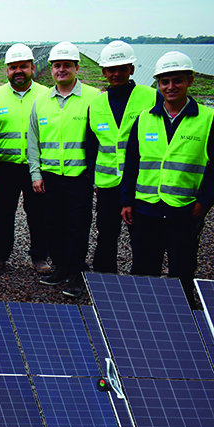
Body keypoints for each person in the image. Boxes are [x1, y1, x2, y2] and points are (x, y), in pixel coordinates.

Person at [121, 51, 214, 306]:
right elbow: (132, 163)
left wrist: (204, 201)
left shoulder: (207, 119)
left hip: (183, 209)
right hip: (146, 207)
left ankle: (182, 313)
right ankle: (143, 310)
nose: (170, 87)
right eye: (164, 82)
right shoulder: (145, 119)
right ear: (157, 84)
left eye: (177, 80)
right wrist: (126, 200)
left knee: (182, 266)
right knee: (143, 265)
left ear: (190, 80)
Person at [28, 41, 98, 298]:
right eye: (57, 65)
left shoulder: (93, 98)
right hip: (50, 177)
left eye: (67, 65)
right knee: (54, 224)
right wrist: (36, 173)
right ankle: (59, 267)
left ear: (77, 68)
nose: (61, 70)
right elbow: (33, 141)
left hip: (79, 176)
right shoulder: (41, 100)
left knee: (78, 226)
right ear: (51, 68)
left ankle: (77, 273)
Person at [86, 40, 156, 274]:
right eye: (111, 69)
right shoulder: (96, 103)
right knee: (106, 234)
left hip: (141, 182)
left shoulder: (151, 97)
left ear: (132, 69)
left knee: (142, 237)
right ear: (104, 72)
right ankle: (105, 281)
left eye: (122, 68)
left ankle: (142, 282)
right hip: (108, 184)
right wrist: (94, 180)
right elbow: (93, 145)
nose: (116, 73)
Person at [0, 43, 50, 274]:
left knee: (38, 214)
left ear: (33, 67)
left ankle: (40, 257)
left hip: (36, 167)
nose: (18, 71)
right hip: (5, 166)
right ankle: (0, 255)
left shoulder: (45, 95)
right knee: (2, 212)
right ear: (7, 70)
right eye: (13, 67)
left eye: (23, 66)